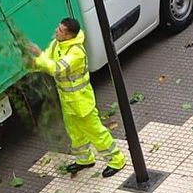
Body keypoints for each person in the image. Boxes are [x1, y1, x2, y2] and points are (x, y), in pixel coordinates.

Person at [26, 17, 126, 177]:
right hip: (67, 100)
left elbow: (57, 69)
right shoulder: (57, 44)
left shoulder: (76, 53)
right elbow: (45, 60)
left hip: (81, 101)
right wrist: (32, 62)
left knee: (95, 132)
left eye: (60, 30)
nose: (56, 31)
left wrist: (39, 55)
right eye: (58, 28)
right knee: (75, 133)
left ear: (68, 36)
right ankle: (84, 159)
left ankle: (117, 160)